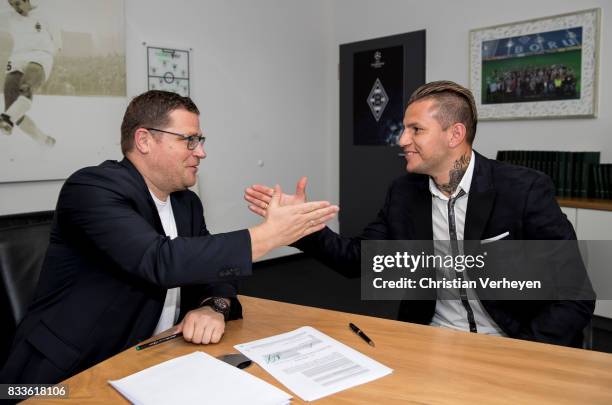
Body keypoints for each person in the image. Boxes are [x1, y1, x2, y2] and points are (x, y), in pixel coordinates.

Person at [0, 90, 339, 385]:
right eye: (189, 140)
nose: (200, 152)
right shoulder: (91, 188)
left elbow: (214, 271)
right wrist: (268, 235)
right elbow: (159, 260)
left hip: (150, 356)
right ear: (144, 140)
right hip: (67, 371)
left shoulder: (186, 203)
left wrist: (214, 307)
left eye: (200, 140)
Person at [244, 80, 595, 347]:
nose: (401, 140)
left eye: (416, 130)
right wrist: (298, 227)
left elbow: (575, 294)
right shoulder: (404, 193)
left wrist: (525, 351)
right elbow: (358, 261)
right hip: (433, 340)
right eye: (404, 128)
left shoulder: (524, 189)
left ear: (455, 134)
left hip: (514, 340)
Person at [0, 0, 58, 146]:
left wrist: (50, 56)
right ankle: (44, 140)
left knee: (26, 86)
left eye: (18, 3)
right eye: (12, 4)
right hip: (17, 57)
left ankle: (6, 120)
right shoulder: (8, 17)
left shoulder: (46, 14)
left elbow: (57, 42)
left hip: (40, 55)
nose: (16, 8)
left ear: (27, 0)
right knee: (11, 107)